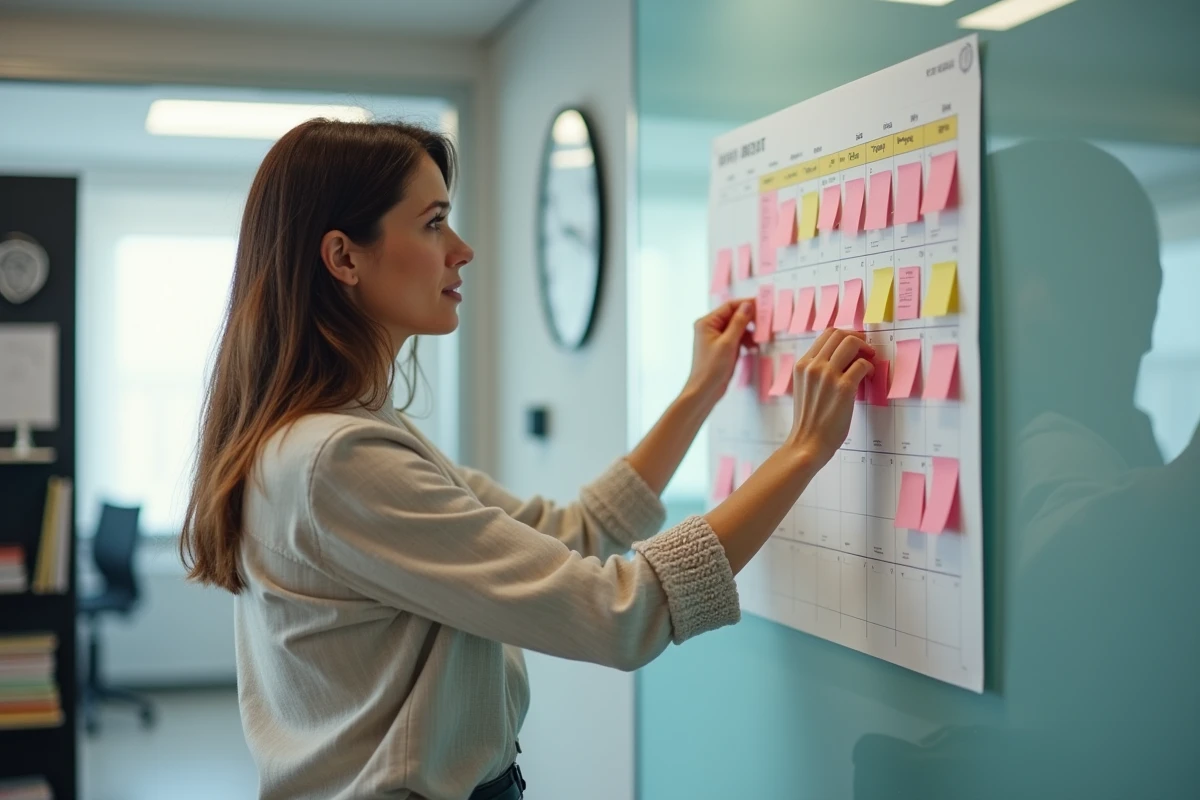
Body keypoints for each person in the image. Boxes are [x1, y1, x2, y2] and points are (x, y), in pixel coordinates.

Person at [180, 119, 874, 800]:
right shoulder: (337, 461)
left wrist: (697, 395)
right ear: (344, 257)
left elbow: (568, 534)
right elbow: (618, 615)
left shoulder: (338, 437)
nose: (462, 249)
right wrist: (803, 450)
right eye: (432, 223)